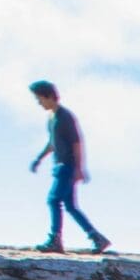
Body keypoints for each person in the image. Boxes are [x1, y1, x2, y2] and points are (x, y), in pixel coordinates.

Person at [28, 81, 112, 255]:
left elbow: (76, 142)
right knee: (70, 206)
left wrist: (79, 168)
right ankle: (97, 238)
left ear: (49, 96)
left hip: (67, 166)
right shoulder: (51, 118)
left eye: (39, 99)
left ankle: (55, 239)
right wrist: (39, 159)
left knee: (53, 200)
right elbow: (52, 143)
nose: (38, 103)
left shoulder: (65, 117)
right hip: (60, 166)